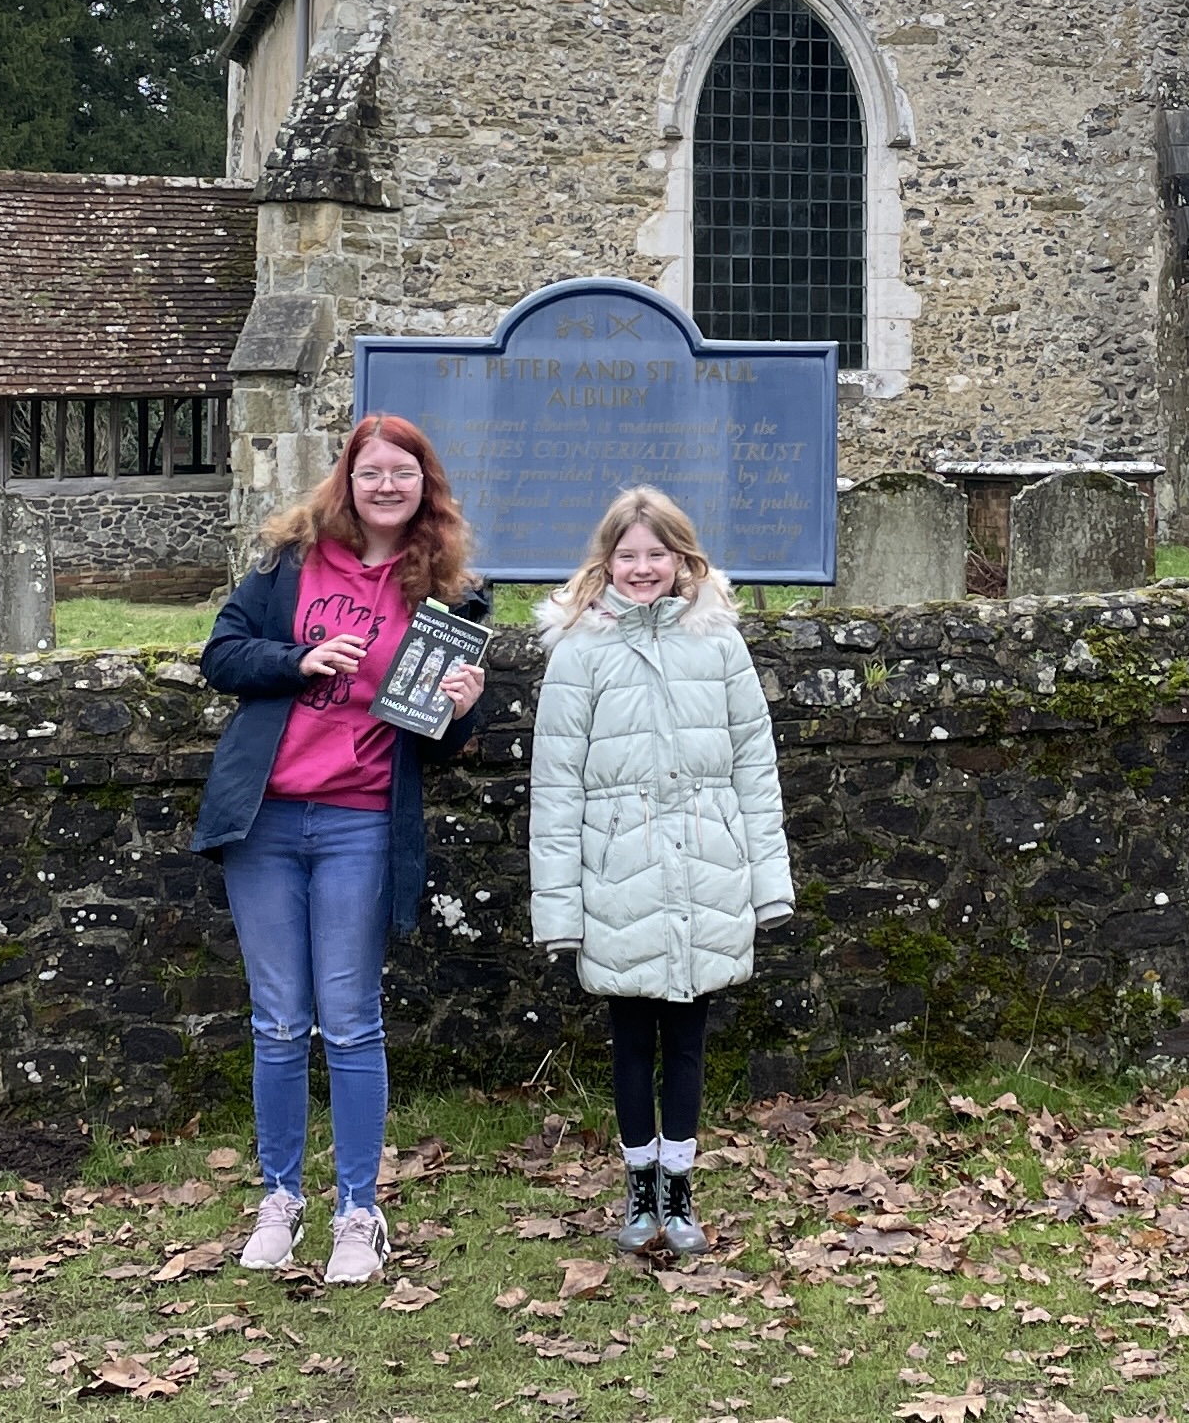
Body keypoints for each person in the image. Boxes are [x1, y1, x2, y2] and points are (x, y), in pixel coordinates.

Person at [195, 415, 495, 1283]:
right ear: (347, 480)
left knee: (352, 1019)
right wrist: (301, 659)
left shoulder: (448, 591)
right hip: (266, 820)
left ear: (425, 486)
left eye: (404, 473)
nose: (387, 486)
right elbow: (223, 655)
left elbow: (436, 740)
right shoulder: (291, 561)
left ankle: (358, 1212)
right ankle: (280, 1199)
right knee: (279, 1020)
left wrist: (461, 707)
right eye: (372, 472)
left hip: (362, 821)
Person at [526, 486, 793, 1257]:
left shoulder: (720, 645)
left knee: (687, 1040)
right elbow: (557, 789)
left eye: (657, 554)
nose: (642, 568)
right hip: (619, 874)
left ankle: (680, 1188)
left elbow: (755, 768)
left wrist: (768, 884)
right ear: (606, 561)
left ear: (682, 559)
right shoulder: (580, 652)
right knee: (630, 1039)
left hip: (707, 869)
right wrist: (561, 911)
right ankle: (638, 1185)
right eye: (628, 555)